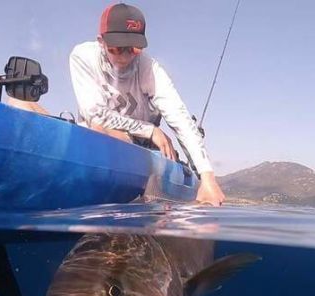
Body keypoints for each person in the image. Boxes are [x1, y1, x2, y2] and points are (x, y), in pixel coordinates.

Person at [69, 3, 225, 206]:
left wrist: (207, 176)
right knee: (100, 128)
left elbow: (180, 117)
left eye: (133, 49)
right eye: (116, 49)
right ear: (101, 41)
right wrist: (150, 130)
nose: (124, 57)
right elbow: (95, 114)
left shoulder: (149, 68)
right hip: (101, 134)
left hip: (142, 145)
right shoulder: (82, 56)